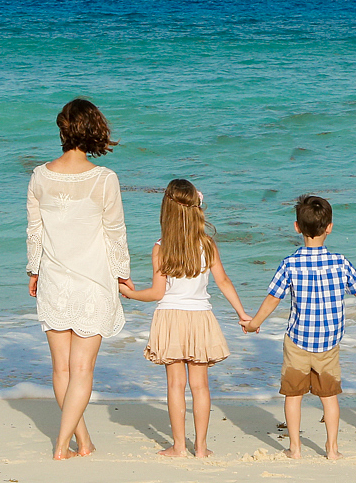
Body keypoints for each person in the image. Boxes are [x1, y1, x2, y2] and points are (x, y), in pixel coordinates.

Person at [243, 194, 356, 460]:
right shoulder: (339, 262)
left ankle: (295, 448)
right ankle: (332, 450)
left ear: (297, 227)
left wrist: (254, 323)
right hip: (329, 343)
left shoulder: (290, 263)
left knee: (293, 395)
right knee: (329, 397)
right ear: (329, 227)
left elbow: (272, 298)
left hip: (297, 340)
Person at [27, 97, 131, 460]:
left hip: (54, 279)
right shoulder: (104, 179)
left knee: (61, 369)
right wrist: (123, 276)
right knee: (82, 369)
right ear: (93, 131)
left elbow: (34, 231)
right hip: (93, 281)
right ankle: (61, 445)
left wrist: (33, 269)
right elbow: (115, 232)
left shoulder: (40, 175)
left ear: (62, 130)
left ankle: (82, 442)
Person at [119, 179, 251, 458]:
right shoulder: (207, 244)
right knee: (200, 386)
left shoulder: (161, 246)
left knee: (175, 385)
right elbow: (224, 281)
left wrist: (129, 294)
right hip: (200, 317)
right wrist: (242, 313)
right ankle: (201, 447)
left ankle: (179, 446)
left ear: (166, 209)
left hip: (170, 317)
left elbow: (156, 293)